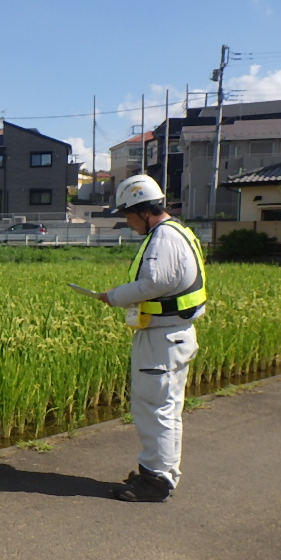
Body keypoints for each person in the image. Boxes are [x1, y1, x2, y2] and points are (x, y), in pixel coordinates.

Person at [98, 174, 207, 502]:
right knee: (166, 408)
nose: (128, 223)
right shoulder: (178, 231)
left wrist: (114, 296)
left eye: (128, 215)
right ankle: (159, 473)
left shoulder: (164, 237)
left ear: (143, 211)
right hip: (172, 336)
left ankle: (155, 481)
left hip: (162, 340)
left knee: (154, 408)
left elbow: (154, 283)